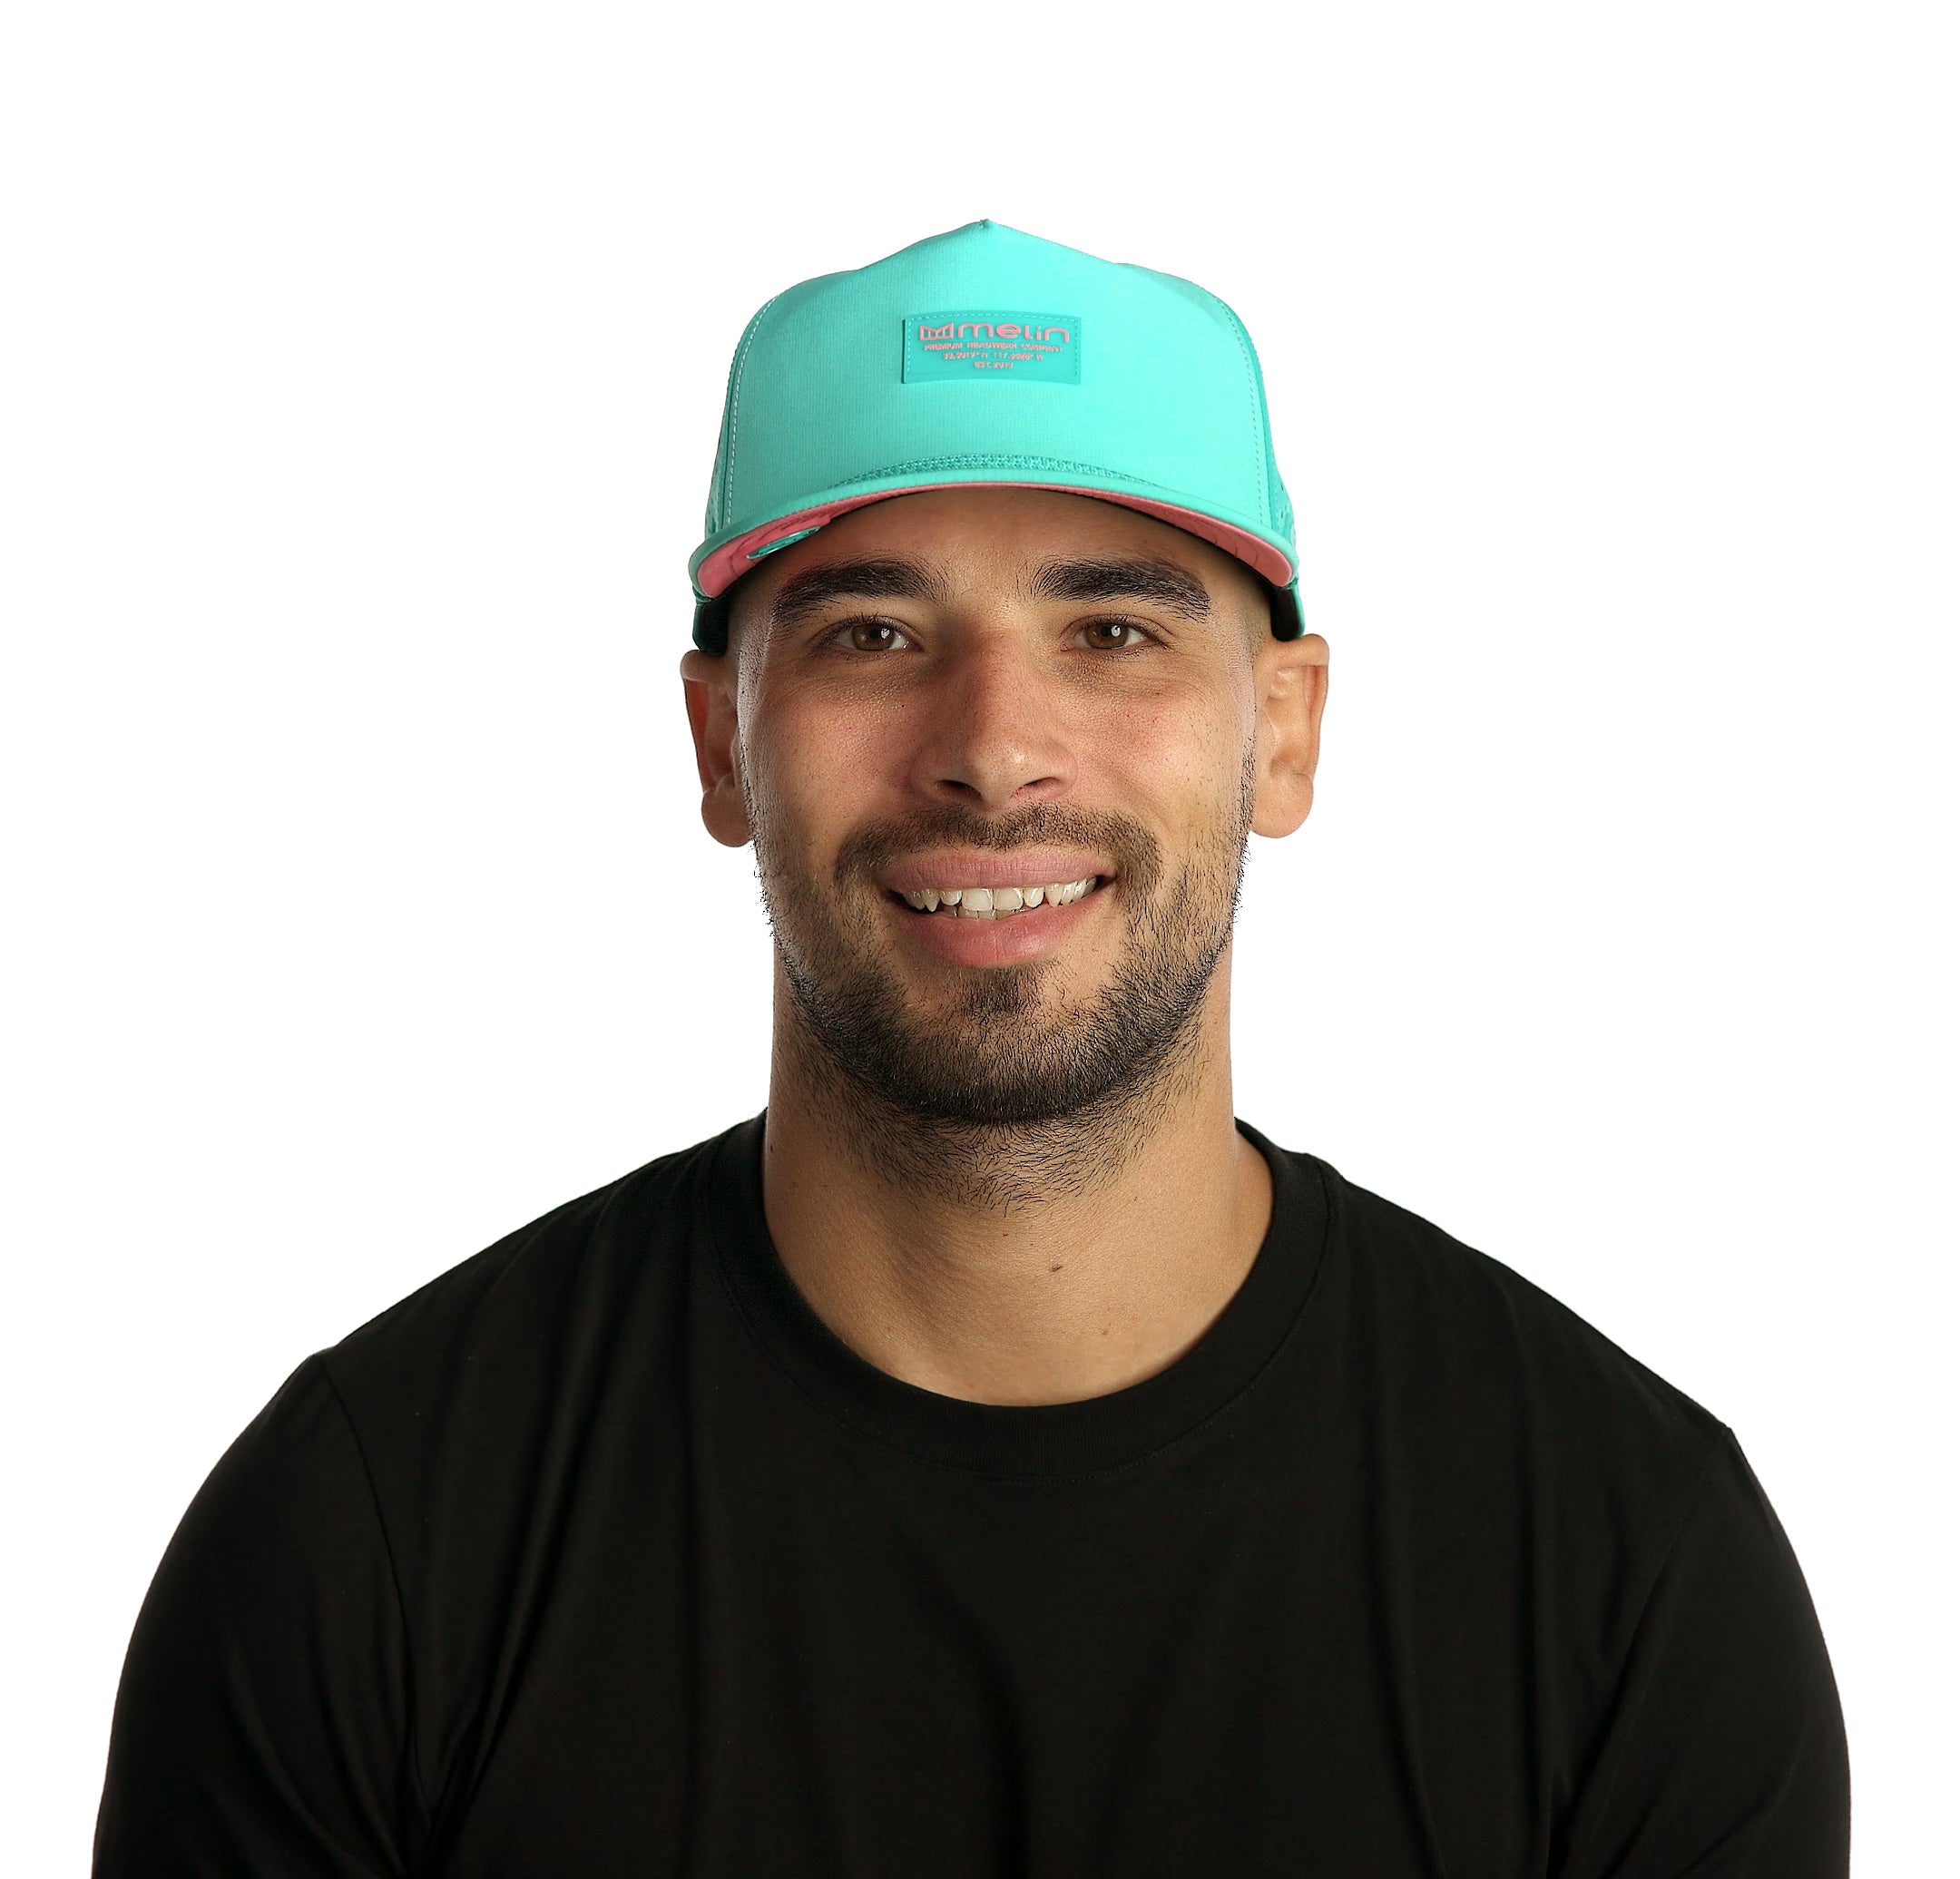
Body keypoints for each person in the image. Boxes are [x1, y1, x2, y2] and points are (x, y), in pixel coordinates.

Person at [93, 220, 1851, 1875]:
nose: (996, 749)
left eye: (1114, 632)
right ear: (721, 744)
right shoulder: (372, 1537)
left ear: (1287, 731)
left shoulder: (1625, 1564)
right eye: (872, 635)